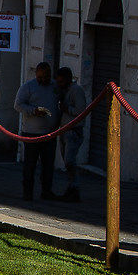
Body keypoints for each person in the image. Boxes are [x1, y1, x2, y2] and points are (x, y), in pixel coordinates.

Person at [14, 62, 60, 200]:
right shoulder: (28, 87)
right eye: (40, 77)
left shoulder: (55, 86)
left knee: (48, 165)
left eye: (46, 77)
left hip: (50, 133)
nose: (43, 80)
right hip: (31, 133)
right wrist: (33, 110)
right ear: (36, 74)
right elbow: (18, 105)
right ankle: (27, 193)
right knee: (30, 165)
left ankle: (46, 191)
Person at [54, 66, 91, 201]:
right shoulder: (63, 91)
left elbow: (81, 111)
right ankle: (71, 186)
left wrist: (66, 108)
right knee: (66, 161)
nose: (59, 84)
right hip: (63, 129)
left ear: (68, 79)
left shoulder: (77, 90)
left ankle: (74, 187)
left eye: (62, 81)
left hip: (73, 131)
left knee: (70, 160)